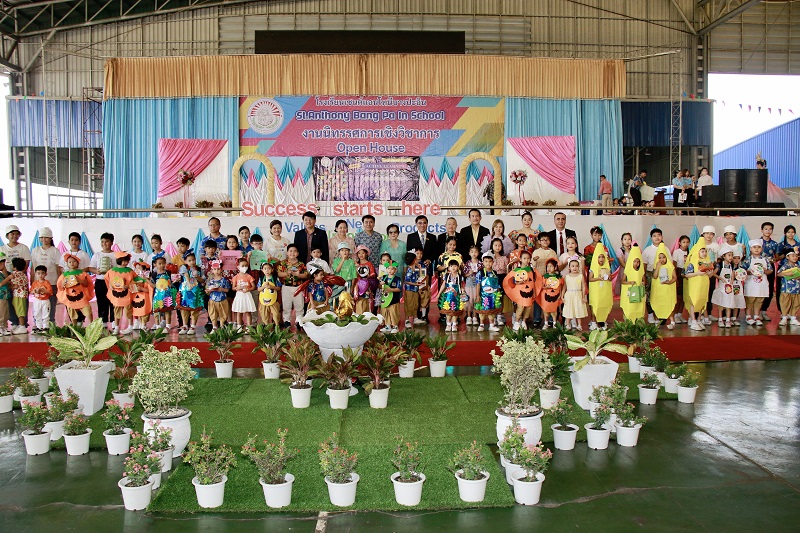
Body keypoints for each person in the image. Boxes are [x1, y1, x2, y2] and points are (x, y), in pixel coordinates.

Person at [2, 225, 31, 328]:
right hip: (7, 275)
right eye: (12, 234)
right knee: (10, 299)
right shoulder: (2, 249)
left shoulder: (24, 248)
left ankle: (23, 323)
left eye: (16, 234)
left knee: (22, 300)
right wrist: (8, 278)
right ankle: (14, 322)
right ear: (7, 235)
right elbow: (2, 265)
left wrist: (17, 276)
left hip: (20, 276)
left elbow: (26, 264)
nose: (14, 236)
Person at [30, 227, 61, 324]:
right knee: (38, 305)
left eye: (46, 237)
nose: (44, 239)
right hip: (38, 283)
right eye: (42, 237)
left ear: (51, 238)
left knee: (51, 304)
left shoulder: (55, 251)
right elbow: (32, 267)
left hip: (52, 282)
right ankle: (38, 324)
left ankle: (50, 323)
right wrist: (32, 282)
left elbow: (58, 268)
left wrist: (59, 283)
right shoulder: (35, 250)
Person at [56, 253, 94, 327]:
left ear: (77, 263)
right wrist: (63, 284)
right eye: (70, 262)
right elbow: (60, 287)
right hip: (70, 297)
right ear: (67, 264)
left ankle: (91, 325)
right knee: (72, 312)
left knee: (87, 310)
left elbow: (87, 284)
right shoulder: (64, 275)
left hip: (81, 297)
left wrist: (79, 280)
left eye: (74, 261)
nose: (72, 263)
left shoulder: (82, 273)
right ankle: (75, 327)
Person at [88, 232, 117, 329]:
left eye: (107, 241)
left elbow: (119, 268)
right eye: (102, 242)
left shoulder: (116, 255)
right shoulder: (97, 255)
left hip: (112, 283)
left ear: (112, 242)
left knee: (113, 301)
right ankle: (103, 321)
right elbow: (90, 268)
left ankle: (113, 321)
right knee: (101, 301)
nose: (104, 244)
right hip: (100, 281)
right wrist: (96, 271)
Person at [277, 244, 308, 329]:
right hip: (286, 287)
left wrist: (298, 275)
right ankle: (286, 321)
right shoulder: (283, 263)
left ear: (297, 253)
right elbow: (279, 274)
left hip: (298, 287)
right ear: (287, 253)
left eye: (295, 251)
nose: (292, 253)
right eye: (290, 251)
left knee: (299, 305)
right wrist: (286, 273)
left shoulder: (301, 264)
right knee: (286, 305)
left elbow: (306, 275)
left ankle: (299, 321)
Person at [684, 240, 713, 331]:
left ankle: (699, 319)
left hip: (704, 286)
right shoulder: (692, 263)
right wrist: (697, 273)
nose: (704, 253)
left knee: (701, 302)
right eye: (702, 251)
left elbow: (710, 275)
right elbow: (687, 275)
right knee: (694, 302)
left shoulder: (707, 262)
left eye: (705, 251)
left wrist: (710, 273)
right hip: (695, 286)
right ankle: (693, 320)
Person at [105, 251, 135, 335]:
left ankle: (130, 326)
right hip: (117, 295)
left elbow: (135, 281)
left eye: (127, 261)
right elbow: (107, 279)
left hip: (127, 295)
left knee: (129, 310)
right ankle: (116, 327)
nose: (126, 263)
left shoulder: (130, 271)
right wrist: (110, 286)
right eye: (124, 261)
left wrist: (128, 286)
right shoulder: (112, 271)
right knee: (117, 311)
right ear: (119, 260)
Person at [742, 239, 771, 326]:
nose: (757, 249)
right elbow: (742, 270)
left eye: (758, 247)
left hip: (762, 284)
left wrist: (765, 271)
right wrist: (750, 272)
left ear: (761, 249)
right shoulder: (748, 259)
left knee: (759, 300)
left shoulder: (765, 259)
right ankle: (748, 316)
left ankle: (756, 316)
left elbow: (770, 270)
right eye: (754, 247)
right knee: (750, 300)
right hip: (751, 284)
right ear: (751, 249)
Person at [651, 243, 678, 329]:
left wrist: (670, 282)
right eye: (660, 258)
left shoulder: (670, 266)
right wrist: (657, 267)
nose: (662, 259)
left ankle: (672, 322)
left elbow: (675, 277)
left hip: (668, 290)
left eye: (663, 257)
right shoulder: (656, 265)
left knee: (669, 305)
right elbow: (655, 276)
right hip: (659, 290)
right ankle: (657, 320)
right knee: (657, 304)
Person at [587, 243, 613, 330]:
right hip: (596, 291)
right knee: (595, 306)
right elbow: (590, 279)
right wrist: (598, 278)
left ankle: (602, 321)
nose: (601, 259)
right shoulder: (593, 268)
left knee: (603, 305)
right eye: (599, 257)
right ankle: (593, 322)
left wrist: (609, 278)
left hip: (604, 291)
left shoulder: (607, 267)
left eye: (602, 257)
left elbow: (610, 278)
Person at [178, 251, 204, 335]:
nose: (192, 262)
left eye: (193, 260)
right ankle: (185, 325)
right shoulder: (183, 267)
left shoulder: (199, 269)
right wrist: (189, 283)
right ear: (185, 261)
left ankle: (193, 326)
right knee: (184, 309)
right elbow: (185, 275)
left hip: (195, 292)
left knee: (194, 310)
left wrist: (198, 277)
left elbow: (202, 280)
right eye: (189, 260)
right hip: (185, 292)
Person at [475, 251, 501, 332]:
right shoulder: (480, 273)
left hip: (492, 296)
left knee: (491, 310)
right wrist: (478, 295)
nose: (488, 263)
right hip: (483, 295)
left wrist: (498, 293)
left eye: (490, 261)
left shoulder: (495, 273)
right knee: (482, 310)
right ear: (483, 262)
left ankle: (492, 325)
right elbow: (478, 284)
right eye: (486, 261)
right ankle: (481, 325)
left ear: (493, 262)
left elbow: (497, 284)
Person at [711, 245, 736, 328]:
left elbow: (733, 274)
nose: (731, 257)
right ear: (724, 256)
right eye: (729, 255)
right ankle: (720, 319)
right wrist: (721, 278)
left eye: (732, 255)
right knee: (721, 303)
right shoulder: (719, 265)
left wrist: (731, 282)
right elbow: (713, 273)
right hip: (722, 287)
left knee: (729, 303)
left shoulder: (732, 265)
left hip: (729, 287)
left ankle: (728, 319)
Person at [760, 221, 780, 322]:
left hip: (770, 268)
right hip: (759, 268)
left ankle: (764, 310)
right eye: (766, 229)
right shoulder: (757, 243)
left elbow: (777, 257)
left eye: (770, 229)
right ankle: (756, 312)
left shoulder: (775, 244)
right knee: (758, 288)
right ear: (762, 230)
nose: (768, 231)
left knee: (769, 289)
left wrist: (774, 260)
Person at [438, 260, 467, 332]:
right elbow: (443, 285)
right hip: (447, 296)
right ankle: (448, 324)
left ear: (458, 267)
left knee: (455, 311)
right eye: (451, 266)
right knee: (448, 311)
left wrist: (463, 292)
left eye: (455, 266)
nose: (453, 267)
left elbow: (461, 286)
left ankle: (454, 324)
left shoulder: (460, 277)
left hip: (456, 296)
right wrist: (439, 294)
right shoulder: (446, 276)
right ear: (448, 268)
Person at [620, 245, 646, 321]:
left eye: (638, 262)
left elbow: (644, 280)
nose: (636, 263)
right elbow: (622, 281)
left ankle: (638, 320)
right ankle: (629, 320)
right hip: (630, 292)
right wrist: (629, 282)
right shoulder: (627, 270)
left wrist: (643, 283)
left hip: (638, 292)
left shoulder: (641, 271)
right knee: (630, 306)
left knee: (638, 306)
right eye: (634, 261)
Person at [150, 255, 176, 330]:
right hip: (158, 296)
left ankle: (168, 326)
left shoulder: (168, 272)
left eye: (163, 263)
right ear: (155, 264)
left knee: (167, 310)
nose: (162, 265)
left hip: (167, 295)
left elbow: (170, 284)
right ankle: (158, 326)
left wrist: (175, 281)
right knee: (157, 311)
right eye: (159, 263)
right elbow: (154, 285)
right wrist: (146, 279)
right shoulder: (154, 274)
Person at [562, 259, 588, 330]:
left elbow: (583, 287)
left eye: (576, 266)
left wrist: (583, 296)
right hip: (569, 295)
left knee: (578, 309)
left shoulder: (580, 276)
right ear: (569, 267)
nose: (574, 268)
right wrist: (562, 296)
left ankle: (579, 325)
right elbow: (564, 287)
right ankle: (568, 325)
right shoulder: (566, 276)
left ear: (579, 267)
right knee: (569, 309)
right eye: (572, 266)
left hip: (578, 295)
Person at [205, 260, 230, 331]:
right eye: (214, 269)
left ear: (221, 269)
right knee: (213, 313)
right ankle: (214, 326)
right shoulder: (211, 280)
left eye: (218, 269)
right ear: (212, 270)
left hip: (222, 299)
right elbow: (207, 289)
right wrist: (208, 290)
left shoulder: (224, 280)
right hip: (212, 300)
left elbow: (227, 290)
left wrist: (222, 289)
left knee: (223, 313)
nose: (216, 271)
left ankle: (222, 326)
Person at [230, 257, 256, 329]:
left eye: (246, 265)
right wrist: (237, 288)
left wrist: (248, 289)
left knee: (248, 312)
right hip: (239, 296)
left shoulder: (249, 276)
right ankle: (239, 327)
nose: (244, 267)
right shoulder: (235, 277)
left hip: (247, 295)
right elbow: (233, 288)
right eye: (242, 266)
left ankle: (249, 327)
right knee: (239, 312)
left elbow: (253, 286)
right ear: (238, 267)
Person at [777, 249, 800, 326]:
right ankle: (784, 317)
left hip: (796, 288)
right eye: (793, 256)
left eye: (796, 256)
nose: (795, 257)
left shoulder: (797, 266)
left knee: (796, 303)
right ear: (787, 257)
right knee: (785, 302)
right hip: (786, 288)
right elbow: (778, 274)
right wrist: (786, 274)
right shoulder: (785, 266)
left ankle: (793, 317)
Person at [379, 261, 402, 333]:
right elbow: (379, 287)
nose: (390, 270)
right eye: (388, 268)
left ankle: (395, 326)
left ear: (395, 270)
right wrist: (380, 284)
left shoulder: (397, 279)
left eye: (392, 269)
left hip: (394, 300)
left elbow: (399, 288)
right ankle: (387, 326)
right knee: (386, 312)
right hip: (385, 299)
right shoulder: (384, 278)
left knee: (393, 313)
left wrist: (391, 289)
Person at [353, 245, 377, 315]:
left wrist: (367, 277)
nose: (361, 255)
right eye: (359, 253)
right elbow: (354, 275)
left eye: (363, 253)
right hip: (357, 286)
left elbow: (372, 275)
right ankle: (358, 315)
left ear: (366, 254)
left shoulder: (369, 264)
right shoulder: (356, 264)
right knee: (358, 301)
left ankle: (367, 316)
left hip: (367, 287)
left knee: (367, 302)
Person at [539, 258, 563, 329]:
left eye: (551, 266)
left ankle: (555, 323)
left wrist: (560, 295)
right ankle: (546, 323)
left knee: (554, 310)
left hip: (555, 296)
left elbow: (560, 287)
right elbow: (541, 286)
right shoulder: (545, 277)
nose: (549, 268)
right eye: (548, 266)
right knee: (545, 310)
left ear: (555, 267)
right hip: (546, 296)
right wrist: (546, 287)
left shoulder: (558, 278)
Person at [672, 235, 691, 324]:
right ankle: (675, 315)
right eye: (684, 242)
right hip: (679, 273)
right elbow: (674, 264)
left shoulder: (690, 252)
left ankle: (680, 314)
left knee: (684, 296)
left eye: (687, 242)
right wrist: (675, 276)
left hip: (687, 273)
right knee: (678, 296)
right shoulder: (677, 252)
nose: (685, 244)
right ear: (679, 243)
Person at [30, 265, 53, 334]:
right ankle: (38, 327)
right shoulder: (35, 283)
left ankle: (46, 327)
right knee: (37, 313)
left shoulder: (47, 283)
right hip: (37, 300)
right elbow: (31, 291)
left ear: (46, 274)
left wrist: (43, 290)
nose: (40, 275)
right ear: (35, 274)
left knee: (45, 314)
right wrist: (35, 290)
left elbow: (50, 292)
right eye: (38, 273)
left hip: (45, 300)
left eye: (42, 273)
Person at [257, 261, 281, 326]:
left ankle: (276, 326)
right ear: (262, 270)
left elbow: (279, 288)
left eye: (269, 268)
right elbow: (258, 289)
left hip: (273, 300)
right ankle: (267, 326)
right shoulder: (261, 279)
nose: (267, 270)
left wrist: (271, 287)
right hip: (263, 300)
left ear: (272, 269)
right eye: (265, 269)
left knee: (276, 314)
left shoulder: (275, 278)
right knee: (264, 315)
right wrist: (264, 286)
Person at [463, 246, 481, 327]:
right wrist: (469, 274)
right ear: (469, 253)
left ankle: (475, 316)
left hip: (477, 284)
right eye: (472, 252)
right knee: (469, 300)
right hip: (469, 284)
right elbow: (464, 275)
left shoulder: (480, 263)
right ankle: (469, 316)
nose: (474, 253)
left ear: (478, 253)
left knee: (476, 300)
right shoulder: (467, 263)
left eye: (475, 252)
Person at [0, 254, 10, 334]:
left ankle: (5, 327)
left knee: (6, 312)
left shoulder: (1, 274)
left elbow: (6, 281)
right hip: (1, 296)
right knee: (1, 312)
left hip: (5, 296)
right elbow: (1, 284)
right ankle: (1, 327)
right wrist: (9, 278)